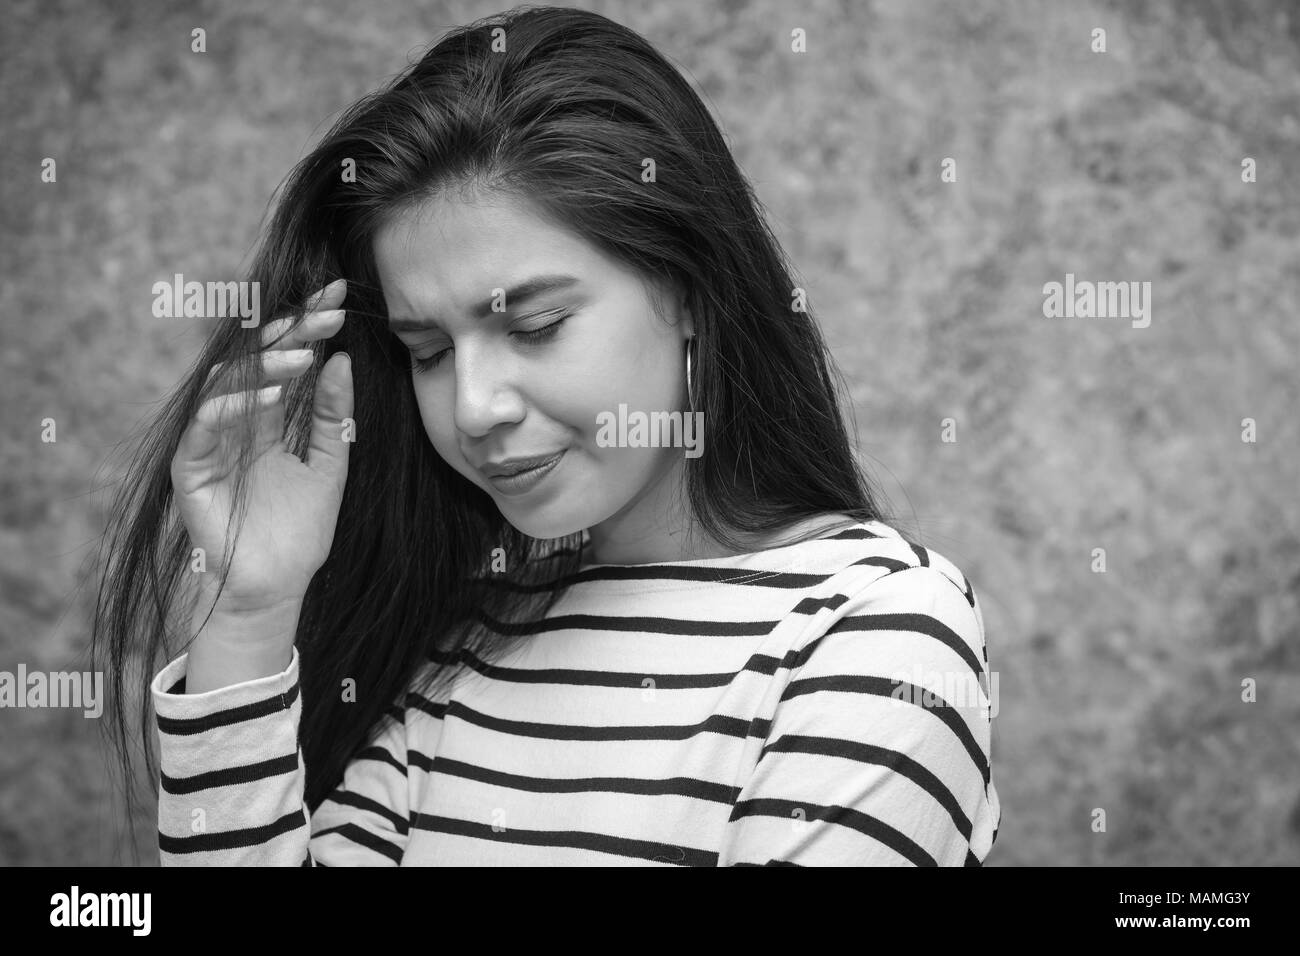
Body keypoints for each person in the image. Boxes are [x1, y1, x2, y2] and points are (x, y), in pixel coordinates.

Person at [92, 5, 1000, 866]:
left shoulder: (874, 634)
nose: (474, 406)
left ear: (687, 290)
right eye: (428, 350)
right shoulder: (473, 638)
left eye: (535, 326)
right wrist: (249, 613)